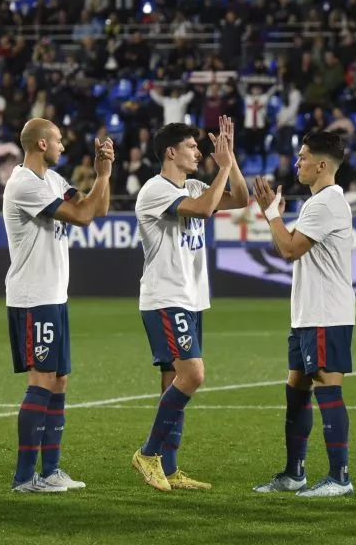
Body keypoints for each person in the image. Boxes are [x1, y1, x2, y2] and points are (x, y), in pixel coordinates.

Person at [130, 117, 249, 491]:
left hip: (191, 298)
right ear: (171, 152)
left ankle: (169, 467)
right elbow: (200, 210)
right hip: (166, 298)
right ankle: (148, 454)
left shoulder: (197, 185)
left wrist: (231, 161)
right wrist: (223, 168)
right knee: (193, 374)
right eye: (192, 147)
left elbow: (242, 200)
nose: (199, 152)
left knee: (174, 379)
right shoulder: (154, 190)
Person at [4, 117, 114, 492]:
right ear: (40, 145)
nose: (63, 146)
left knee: (59, 378)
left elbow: (95, 208)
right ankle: (24, 478)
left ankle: (50, 471)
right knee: (42, 379)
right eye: (58, 140)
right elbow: (83, 216)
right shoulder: (24, 184)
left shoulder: (52, 180)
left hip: (54, 294)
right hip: (34, 296)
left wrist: (105, 172)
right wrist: (99, 177)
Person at [252, 130, 356, 498]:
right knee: (296, 389)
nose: (298, 163)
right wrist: (275, 219)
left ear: (322, 165)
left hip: (326, 312)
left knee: (328, 386)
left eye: (303, 158)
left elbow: (291, 249)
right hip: (307, 314)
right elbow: (288, 246)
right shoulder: (318, 203)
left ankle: (340, 477)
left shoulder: (326, 202)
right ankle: (294, 473)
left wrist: (269, 214)